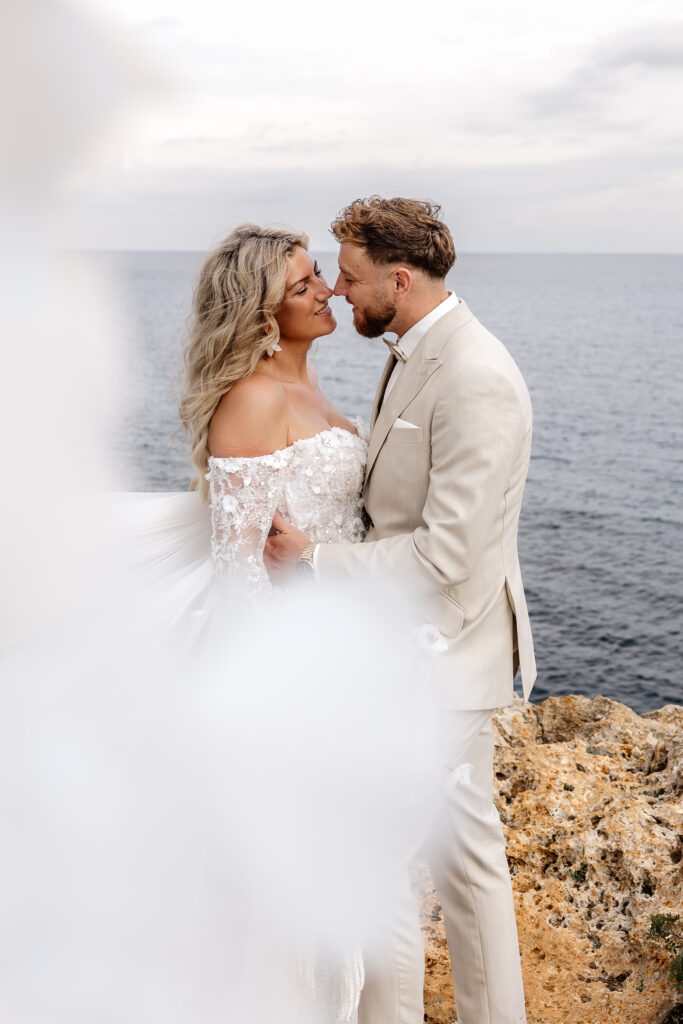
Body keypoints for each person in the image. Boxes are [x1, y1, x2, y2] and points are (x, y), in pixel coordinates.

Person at [264, 196, 537, 1024]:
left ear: (400, 276)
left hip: (442, 659)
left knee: (374, 875)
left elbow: (446, 558)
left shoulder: (474, 376)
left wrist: (316, 562)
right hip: (417, 650)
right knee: (467, 861)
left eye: (348, 278)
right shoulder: (415, 348)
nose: (339, 293)